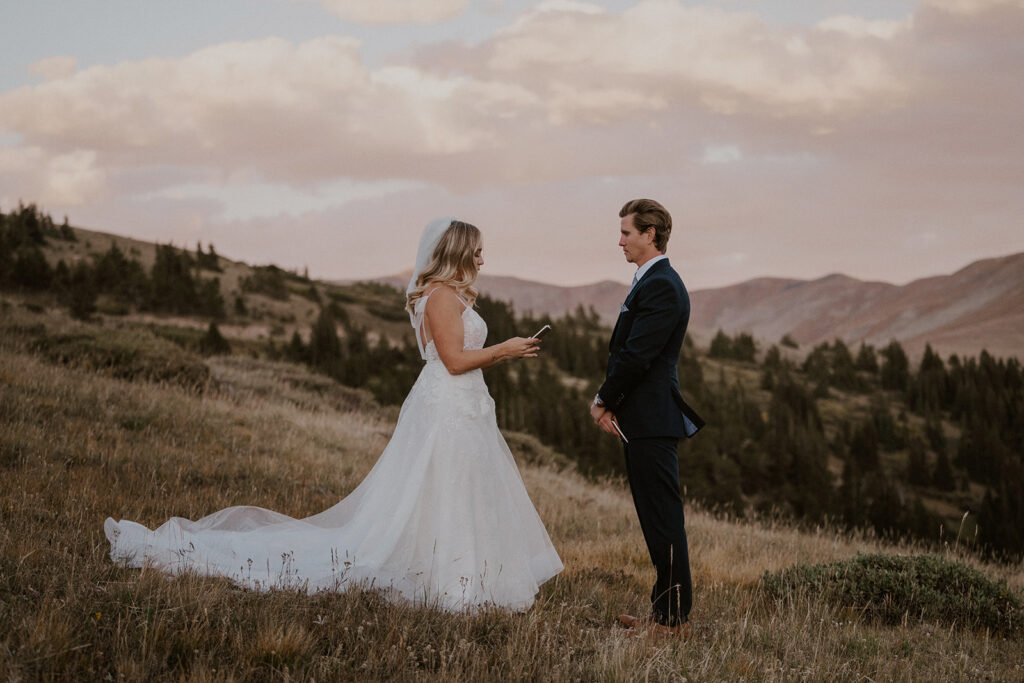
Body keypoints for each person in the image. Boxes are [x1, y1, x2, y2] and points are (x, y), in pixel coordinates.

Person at [105, 217, 563, 611]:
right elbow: (455, 360)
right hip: (449, 403)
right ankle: (452, 583)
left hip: (462, 404)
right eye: (477, 252)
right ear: (458, 252)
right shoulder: (442, 296)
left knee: (457, 486)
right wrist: (504, 350)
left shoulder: (447, 295)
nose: (483, 260)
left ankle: (464, 576)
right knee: (446, 485)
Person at [589, 199, 704, 638]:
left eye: (626, 233)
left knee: (663, 519)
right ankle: (664, 613)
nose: (619, 241)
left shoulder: (661, 285)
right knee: (656, 519)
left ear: (650, 234)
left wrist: (603, 399)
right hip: (643, 418)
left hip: (652, 419)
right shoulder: (651, 281)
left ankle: (673, 622)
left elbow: (636, 356)